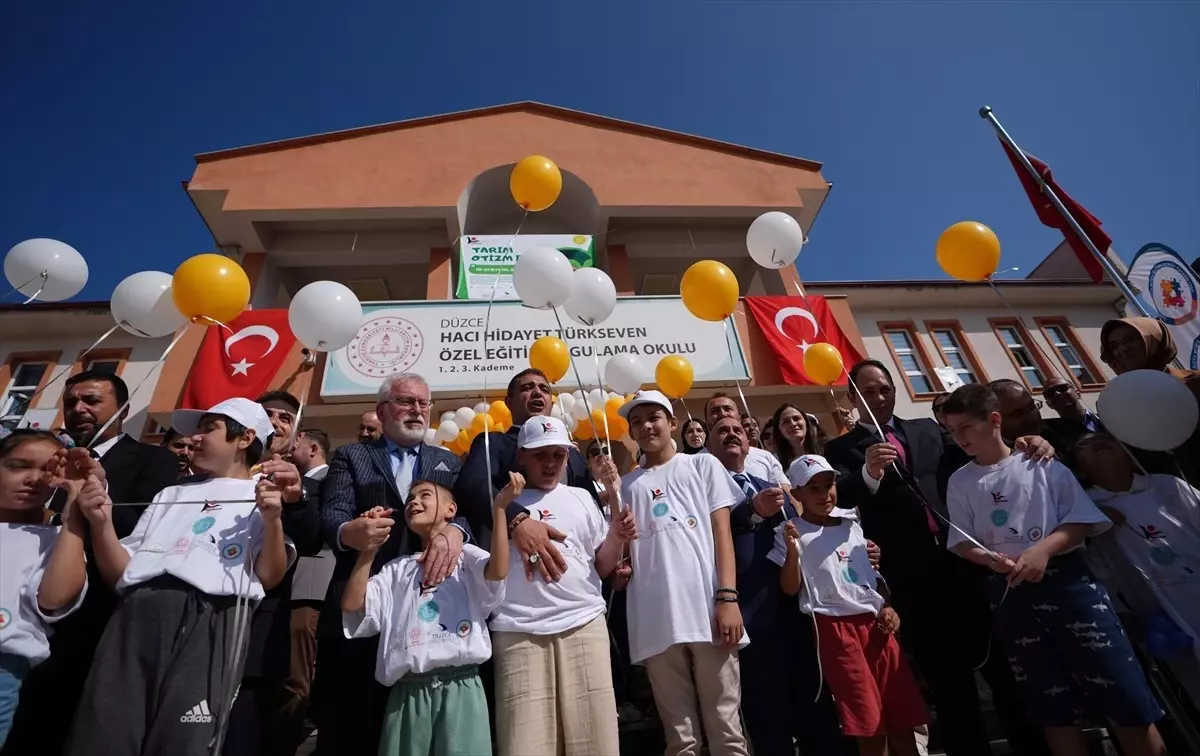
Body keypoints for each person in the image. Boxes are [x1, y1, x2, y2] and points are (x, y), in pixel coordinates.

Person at [823, 359, 1051, 756]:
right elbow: (837, 498)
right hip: (913, 579)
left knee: (1003, 669)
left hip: (967, 567)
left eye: (885, 388)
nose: (879, 397)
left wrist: (1023, 443)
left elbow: (979, 454)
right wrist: (868, 474)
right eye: (868, 391)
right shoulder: (841, 448)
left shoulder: (927, 428)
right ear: (852, 397)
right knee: (949, 683)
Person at [942, 384, 1166, 756]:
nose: (959, 437)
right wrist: (989, 558)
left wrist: (1043, 551)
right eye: (952, 430)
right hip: (1012, 595)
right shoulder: (960, 480)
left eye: (965, 426)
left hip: (1070, 586)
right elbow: (962, 540)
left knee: (1124, 697)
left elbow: (1080, 519)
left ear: (994, 420)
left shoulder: (1039, 462)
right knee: (1051, 706)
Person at [66, 397, 296, 756]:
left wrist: (272, 520)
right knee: (105, 726)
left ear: (245, 437)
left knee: (184, 736)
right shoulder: (170, 493)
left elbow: (269, 575)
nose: (195, 439)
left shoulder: (263, 496)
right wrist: (101, 522)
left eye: (208, 429)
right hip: (135, 616)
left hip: (213, 618)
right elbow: (121, 574)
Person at [5, 371, 179, 756]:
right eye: (71, 402)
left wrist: (95, 495)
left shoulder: (153, 461)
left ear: (123, 409)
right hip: (21, 617)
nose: (78, 409)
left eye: (91, 400)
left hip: (93, 616)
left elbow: (146, 536)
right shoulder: (46, 460)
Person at [316, 372, 467, 756]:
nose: (417, 410)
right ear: (382, 410)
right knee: (355, 720)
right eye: (406, 402)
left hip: (430, 609)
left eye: (424, 403)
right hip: (366, 604)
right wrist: (352, 531)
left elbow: (468, 513)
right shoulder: (352, 456)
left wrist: (456, 532)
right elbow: (331, 514)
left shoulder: (447, 461)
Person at [707, 417, 850, 756]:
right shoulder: (703, 490)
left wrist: (849, 550)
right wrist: (753, 512)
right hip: (748, 617)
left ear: (749, 442)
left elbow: (802, 535)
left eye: (737, 430)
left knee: (815, 711)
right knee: (769, 719)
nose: (731, 434)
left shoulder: (767, 485)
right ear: (708, 447)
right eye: (721, 431)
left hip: (795, 610)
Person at [342, 467, 510, 756]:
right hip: (407, 693)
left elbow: (497, 571)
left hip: (462, 686)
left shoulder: (466, 557)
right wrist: (368, 551)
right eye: (409, 499)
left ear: (450, 510)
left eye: (424, 495)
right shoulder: (396, 569)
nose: (413, 502)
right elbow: (353, 604)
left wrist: (500, 511)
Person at [490, 417, 633, 756]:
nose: (551, 463)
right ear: (522, 455)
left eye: (559, 454)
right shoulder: (503, 501)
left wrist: (616, 536)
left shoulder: (582, 497)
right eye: (541, 455)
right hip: (518, 629)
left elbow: (600, 564)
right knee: (525, 743)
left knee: (596, 740)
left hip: (584, 624)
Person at [619, 390, 750, 756]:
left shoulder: (703, 465)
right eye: (636, 421)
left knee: (726, 728)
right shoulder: (625, 486)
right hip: (656, 621)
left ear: (673, 422)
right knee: (680, 739)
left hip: (708, 612)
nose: (646, 426)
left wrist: (727, 597)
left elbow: (722, 533)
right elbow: (623, 553)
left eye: (653, 417)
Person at [772, 454, 929, 756]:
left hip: (877, 627)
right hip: (836, 630)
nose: (823, 494)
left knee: (900, 714)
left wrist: (887, 606)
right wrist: (793, 552)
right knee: (868, 719)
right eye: (812, 488)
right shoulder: (791, 530)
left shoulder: (852, 521)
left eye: (828, 485)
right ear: (796, 494)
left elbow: (872, 577)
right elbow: (790, 587)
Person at [224, 391, 323, 756]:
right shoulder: (217, 474)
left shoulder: (308, 484)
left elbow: (311, 540)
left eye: (286, 418)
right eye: (269, 415)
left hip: (266, 620)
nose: (277, 422)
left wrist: (294, 499)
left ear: (297, 436)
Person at [1074, 432, 1200, 683]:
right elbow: (1099, 569)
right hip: (1162, 616)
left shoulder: (1168, 486)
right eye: (1084, 444)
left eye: (1106, 437)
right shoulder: (1084, 507)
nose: (1097, 442)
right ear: (1080, 469)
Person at [455, 368, 606, 574]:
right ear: (509, 402)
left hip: (576, 575)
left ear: (551, 403)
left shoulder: (572, 452)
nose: (537, 392)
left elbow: (591, 507)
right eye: (527, 388)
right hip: (517, 574)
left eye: (544, 389)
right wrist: (517, 521)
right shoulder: (493, 442)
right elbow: (474, 486)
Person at [0, 430, 91, 748]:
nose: (34, 479)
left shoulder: (56, 536)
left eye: (48, 472)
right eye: (18, 466)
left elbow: (54, 598)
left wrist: (73, 515)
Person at [280, 428, 335, 754]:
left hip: (312, 586)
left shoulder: (330, 480)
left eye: (296, 444)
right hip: (284, 585)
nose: (289, 451)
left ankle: (297, 733)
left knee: (300, 673)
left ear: (313, 448)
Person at [1101, 316, 1200, 484]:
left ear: (1155, 339)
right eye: (1114, 346)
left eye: (1130, 339)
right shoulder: (1117, 403)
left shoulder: (1195, 383)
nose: (1123, 349)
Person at [705, 393, 788, 487]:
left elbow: (787, 492)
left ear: (739, 418)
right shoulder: (694, 463)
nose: (723, 414)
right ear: (706, 422)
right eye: (714, 411)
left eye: (728, 409)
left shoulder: (765, 457)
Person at [772, 403, 820, 474]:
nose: (793, 424)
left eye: (796, 418)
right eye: (786, 422)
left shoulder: (827, 451)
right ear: (779, 432)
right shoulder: (775, 463)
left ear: (806, 424)